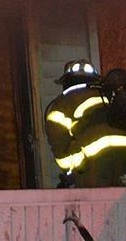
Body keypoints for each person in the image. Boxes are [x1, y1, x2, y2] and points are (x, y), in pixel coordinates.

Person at [45, 59, 126, 187]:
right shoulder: (107, 94)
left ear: (66, 81)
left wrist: (76, 171)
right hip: (124, 157)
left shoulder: (61, 105)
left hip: (95, 165)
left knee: (99, 204)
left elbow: (63, 154)